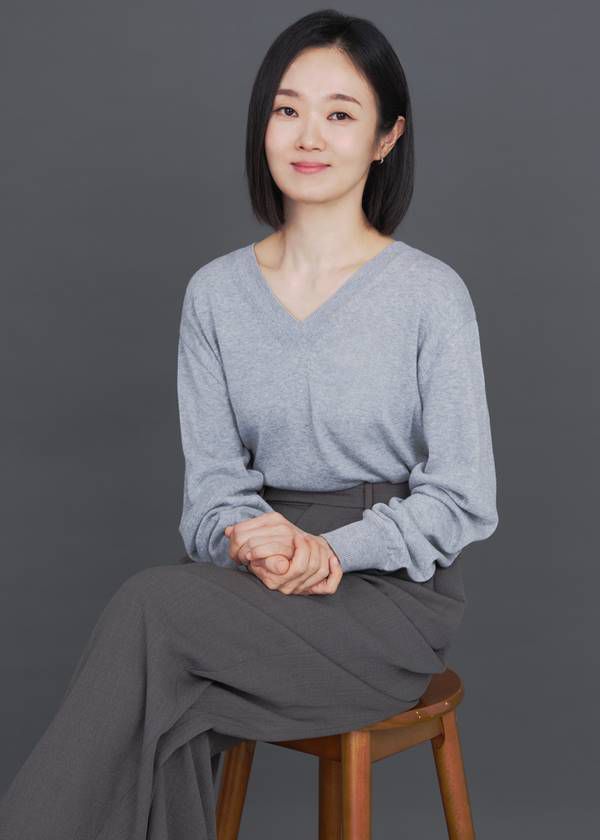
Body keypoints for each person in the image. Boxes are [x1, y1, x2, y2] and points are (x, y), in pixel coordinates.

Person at [0, 8, 499, 839]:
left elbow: (464, 498)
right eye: (286, 108)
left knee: (153, 613)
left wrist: (332, 552)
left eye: (340, 113)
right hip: (254, 582)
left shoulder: (430, 295)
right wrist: (250, 542)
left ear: (386, 137)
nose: (308, 135)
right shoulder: (215, 295)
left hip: (385, 601)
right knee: (163, 684)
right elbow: (210, 496)